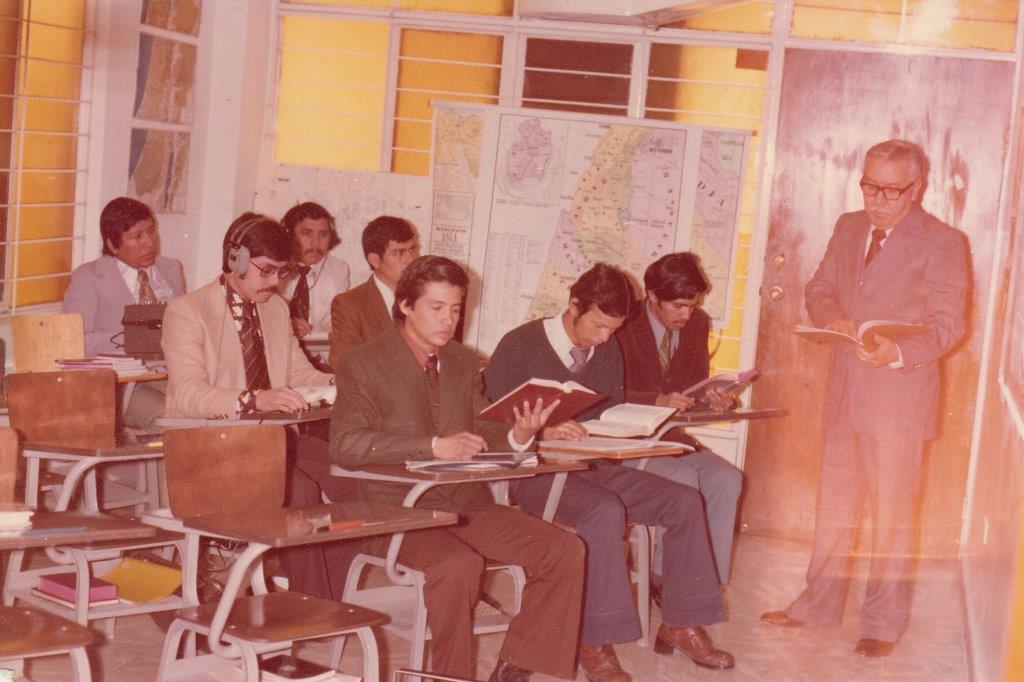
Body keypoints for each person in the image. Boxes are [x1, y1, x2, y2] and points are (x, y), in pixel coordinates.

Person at [760, 139, 969, 658]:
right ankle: (818, 604)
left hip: (899, 399)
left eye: (890, 191)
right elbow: (819, 287)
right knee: (834, 506)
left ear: (916, 188)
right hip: (844, 394)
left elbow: (949, 325)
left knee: (893, 515)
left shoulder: (944, 242)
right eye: (869, 186)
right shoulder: (849, 226)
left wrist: (896, 350)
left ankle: (882, 623)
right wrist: (832, 317)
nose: (876, 199)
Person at [331, 255, 585, 681]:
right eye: (436, 307)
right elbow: (345, 445)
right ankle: (453, 676)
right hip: (397, 512)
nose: (448, 320)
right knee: (457, 565)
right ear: (405, 305)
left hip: (466, 504)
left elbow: (483, 427)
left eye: (455, 308)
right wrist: (433, 446)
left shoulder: (464, 361)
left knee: (563, 549)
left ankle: (517, 665)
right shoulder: (363, 362)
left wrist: (520, 433)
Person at [484, 263, 734, 681]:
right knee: (603, 511)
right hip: (535, 475)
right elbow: (489, 421)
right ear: (574, 305)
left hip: (594, 463)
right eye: (598, 326)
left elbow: (608, 411)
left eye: (612, 330)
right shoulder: (520, 344)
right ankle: (592, 642)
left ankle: (681, 621)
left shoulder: (608, 346)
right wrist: (542, 431)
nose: (604, 338)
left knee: (684, 501)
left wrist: (631, 427)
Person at [162, 212, 352, 600]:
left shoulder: (276, 308)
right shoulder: (188, 311)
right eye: (266, 271)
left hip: (275, 440)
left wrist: (343, 385)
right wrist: (255, 399)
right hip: (215, 447)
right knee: (300, 492)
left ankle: (321, 588)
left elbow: (299, 373)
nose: (275, 282)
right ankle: (311, 605)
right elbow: (188, 394)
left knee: (352, 475)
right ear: (236, 260)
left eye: (281, 272)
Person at [617, 252, 743, 584]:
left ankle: (707, 584)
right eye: (678, 306)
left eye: (692, 305)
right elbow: (604, 393)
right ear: (652, 295)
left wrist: (717, 402)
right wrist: (655, 401)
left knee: (727, 479)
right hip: (626, 441)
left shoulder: (698, 324)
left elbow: (693, 390)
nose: (686, 315)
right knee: (682, 477)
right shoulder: (623, 322)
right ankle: (667, 579)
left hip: (671, 438)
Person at [62, 196, 186, 428]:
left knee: (209, 411)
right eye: (137, 236)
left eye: (151, 231)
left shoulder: (171, 269)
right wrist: (134, 338)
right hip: (121, 385)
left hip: (172, 376)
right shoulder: (88, 278)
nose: (149, 243)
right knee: (172, 421)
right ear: (112, 244)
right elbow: (73, 342)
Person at [329, 215, 418, 368]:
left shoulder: (424, 298)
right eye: (399, 252)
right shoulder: (349, 304)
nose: (410, 259)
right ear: (374, 260)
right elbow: (344, 364)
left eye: (412, 249)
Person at [279, 201, 350, 340]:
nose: (316, 243)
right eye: (306, 234)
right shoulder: (274, 266)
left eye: (323, 234)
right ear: (289, 235)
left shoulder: (339, 270)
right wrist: (287, 322)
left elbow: (335, 325)